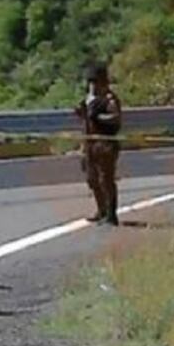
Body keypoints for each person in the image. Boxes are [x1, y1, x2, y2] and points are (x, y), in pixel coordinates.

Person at [74, 63, 122, 226]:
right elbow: (86, 121)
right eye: (90, 81)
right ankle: (101, 210)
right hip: (89, 144)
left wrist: (99, 117)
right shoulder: (88, 99)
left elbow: (116, 118)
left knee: (105, 179)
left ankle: (111, 214)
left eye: (95, 81)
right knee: (92, 179)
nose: (92, 85)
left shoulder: (109, 99)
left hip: (105, 144)